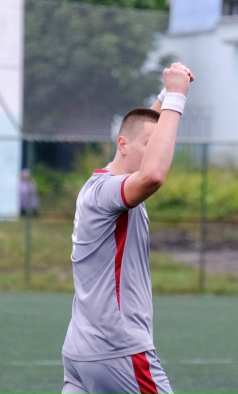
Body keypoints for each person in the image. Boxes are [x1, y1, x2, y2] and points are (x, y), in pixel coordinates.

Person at [61, 62, 194, 394]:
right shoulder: (108, 192)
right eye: (147, 145)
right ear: (122, 144)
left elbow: (141, 133)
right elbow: (153, 176)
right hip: (117, 349)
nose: (154, 151)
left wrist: (165, 94)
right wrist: (177, 97)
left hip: (81, 352)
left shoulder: (101, 183)